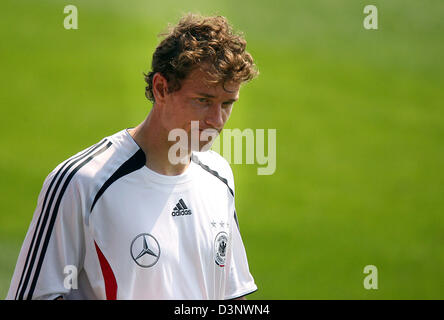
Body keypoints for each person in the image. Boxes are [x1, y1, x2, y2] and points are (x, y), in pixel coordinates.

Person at [7, 13, 258, 300]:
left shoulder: (219, 177)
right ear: (161, 88)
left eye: (227, 104)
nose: (217, 119)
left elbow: (228, 294)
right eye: (203, 101)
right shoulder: (83, 183)